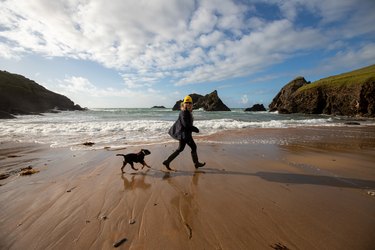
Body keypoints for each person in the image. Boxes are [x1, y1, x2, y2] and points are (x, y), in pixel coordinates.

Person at [163, 95, 206, 170]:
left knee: (180, 149)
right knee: (193, 147)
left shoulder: (188, 112)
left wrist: (192, 129)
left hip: (184, 134)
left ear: (192, 104)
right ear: (184, 104)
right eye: (187, 102)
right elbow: (185, 124)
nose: (188, 104)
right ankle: (196, 164)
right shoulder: (184, 112)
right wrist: (195, 129)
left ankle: (167, 161)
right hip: (184, 135)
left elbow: (187, 124)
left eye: (190, 103)